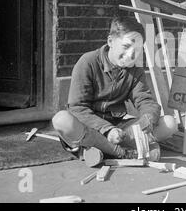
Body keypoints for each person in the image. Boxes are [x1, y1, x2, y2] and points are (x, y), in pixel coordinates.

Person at [52, 15, 178, 164]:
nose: (131, 54)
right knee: (61, 120)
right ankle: (119, 153)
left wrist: (148, 119)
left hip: (119, 130)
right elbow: (78, 108)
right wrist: (107, 129)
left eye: (137, 49)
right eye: (126, 46)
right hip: (90, 128)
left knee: (170, 123)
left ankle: (100, 150)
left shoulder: (135, 70)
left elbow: (145, 101)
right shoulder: (87, 62)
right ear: (110, 41)